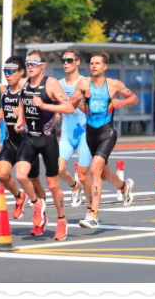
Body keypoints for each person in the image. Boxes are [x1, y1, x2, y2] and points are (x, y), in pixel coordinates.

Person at [70, 51, 138, 229]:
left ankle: (93, 215)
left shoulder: (114, 84)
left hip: (107, 133)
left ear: (105, 66)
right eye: (92, 63)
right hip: (91, 134)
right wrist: (82, 99)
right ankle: (124, 187)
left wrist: (122, 103)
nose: (93, 66)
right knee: (105, 175)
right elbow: (72, 103)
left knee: (94, 169)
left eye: (97, 63)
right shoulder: (83, 84)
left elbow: (134, 98)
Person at [14, 50, 75, 241]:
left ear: (43, 65)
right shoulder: (23, 83)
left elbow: (69, 107)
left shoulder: (51, 83)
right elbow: (22, 103)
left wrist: (45, 106)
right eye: (28, 63)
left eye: (34, 63)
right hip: (29, 138)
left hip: (47, 140)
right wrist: (20, 119)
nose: (30, 66)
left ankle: (61, 220)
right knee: (21, 175)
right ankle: (37, 203)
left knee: (53, 185)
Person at [0, 56, 47, 232]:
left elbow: (38, 110)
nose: (7, 75)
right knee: (2, 173)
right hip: (10, 142)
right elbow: (4, 107)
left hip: (28, 143)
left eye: (11, 72)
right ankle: (19, 196)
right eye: (5, 71)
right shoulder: (4, 89)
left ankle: (41, 215)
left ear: (21, 72)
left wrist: (22, 112)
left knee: (34, 181)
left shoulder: (27, 89)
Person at [56, 50, 90, 209]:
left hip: (85, 134)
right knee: (58, 169)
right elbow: (57, 105)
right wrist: (56, 112)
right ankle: (75, 187)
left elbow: (92, 110)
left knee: (84, 175)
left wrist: (76, 103)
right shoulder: (58, 84)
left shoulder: (85, 83)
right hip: (67, 134)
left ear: (77, 62)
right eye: (63, 61)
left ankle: (92, 210)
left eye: (69, 60)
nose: (65, 64)